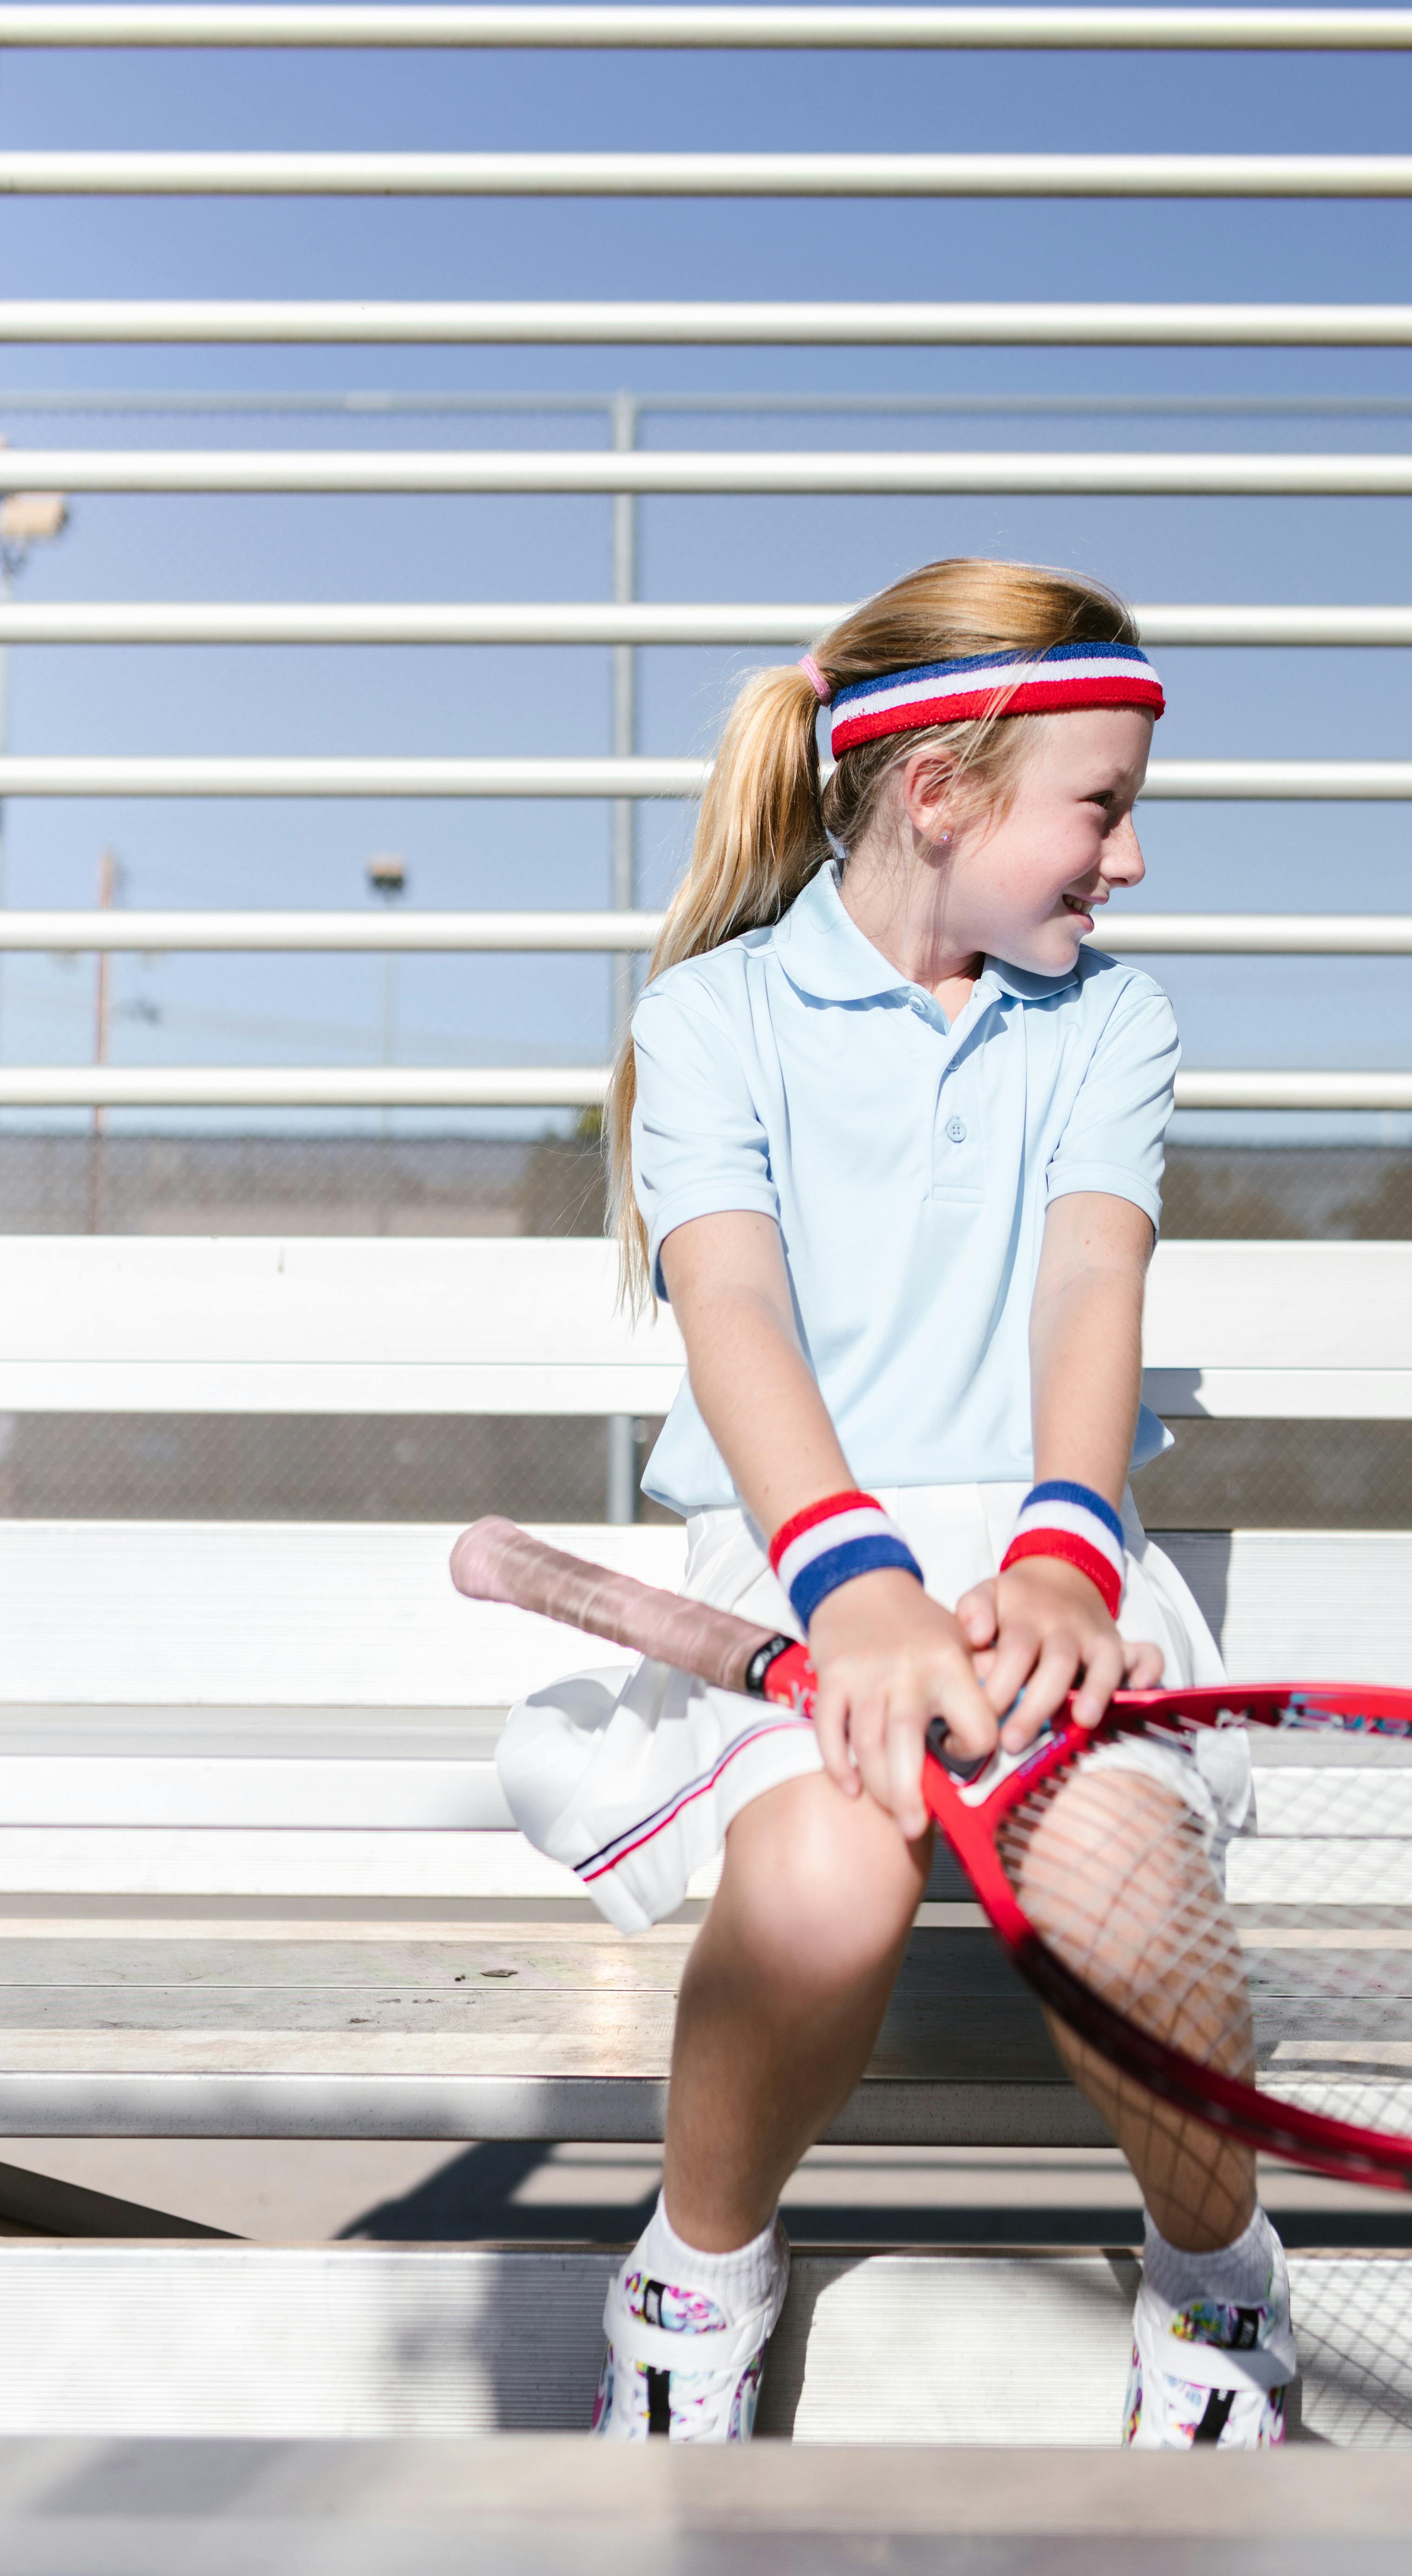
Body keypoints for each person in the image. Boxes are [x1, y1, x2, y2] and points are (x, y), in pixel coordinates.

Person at [497, 555, 1295, 2447]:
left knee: (1116, 1874)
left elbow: (1087, 1291)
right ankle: (694, 2282)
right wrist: (853, 1580)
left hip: (1048, 1570)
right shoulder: (709, 1023)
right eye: (1098, 810)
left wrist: (1050, 1557)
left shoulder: (1111, 1025)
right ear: (938, 794)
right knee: (822, 1882)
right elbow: (737, 1311)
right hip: (799, 1563)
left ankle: (1220, 2291)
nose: (1126, 860)